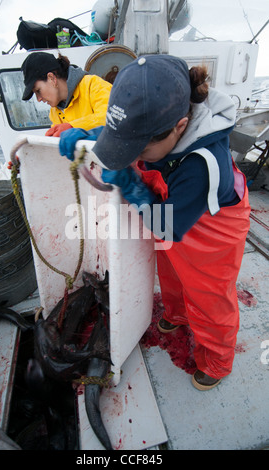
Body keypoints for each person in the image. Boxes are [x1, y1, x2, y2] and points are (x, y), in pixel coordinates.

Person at [58, 55, 251, 391]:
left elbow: (164, 225)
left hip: (211, 230)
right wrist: (89, 134)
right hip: (172, 212)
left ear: (179, 126)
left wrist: (132, 187)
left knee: (209, 296)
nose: (133, 153)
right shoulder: (158, 126)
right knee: (171, 272)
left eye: (140, 148)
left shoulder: (203, 164)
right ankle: (175, 314)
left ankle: (217, 360)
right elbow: (128, 132)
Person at [21, 51, 112, 136]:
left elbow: (110, 117)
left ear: (51, 78)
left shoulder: (93, 85)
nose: (38, 99)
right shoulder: (55, 112)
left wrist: (72, 127)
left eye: (38, 91)